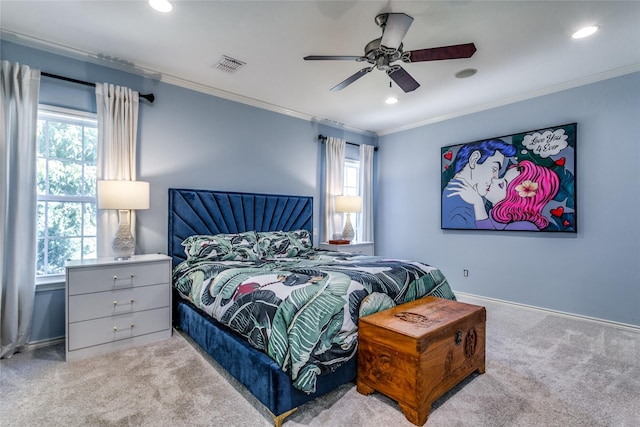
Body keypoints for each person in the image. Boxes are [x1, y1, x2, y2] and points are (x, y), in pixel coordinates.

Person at [442, 139, 516, 228]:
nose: (495, 178)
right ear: (474, 159)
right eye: (494, 169)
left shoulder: (459, 198)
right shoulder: (460, 205)